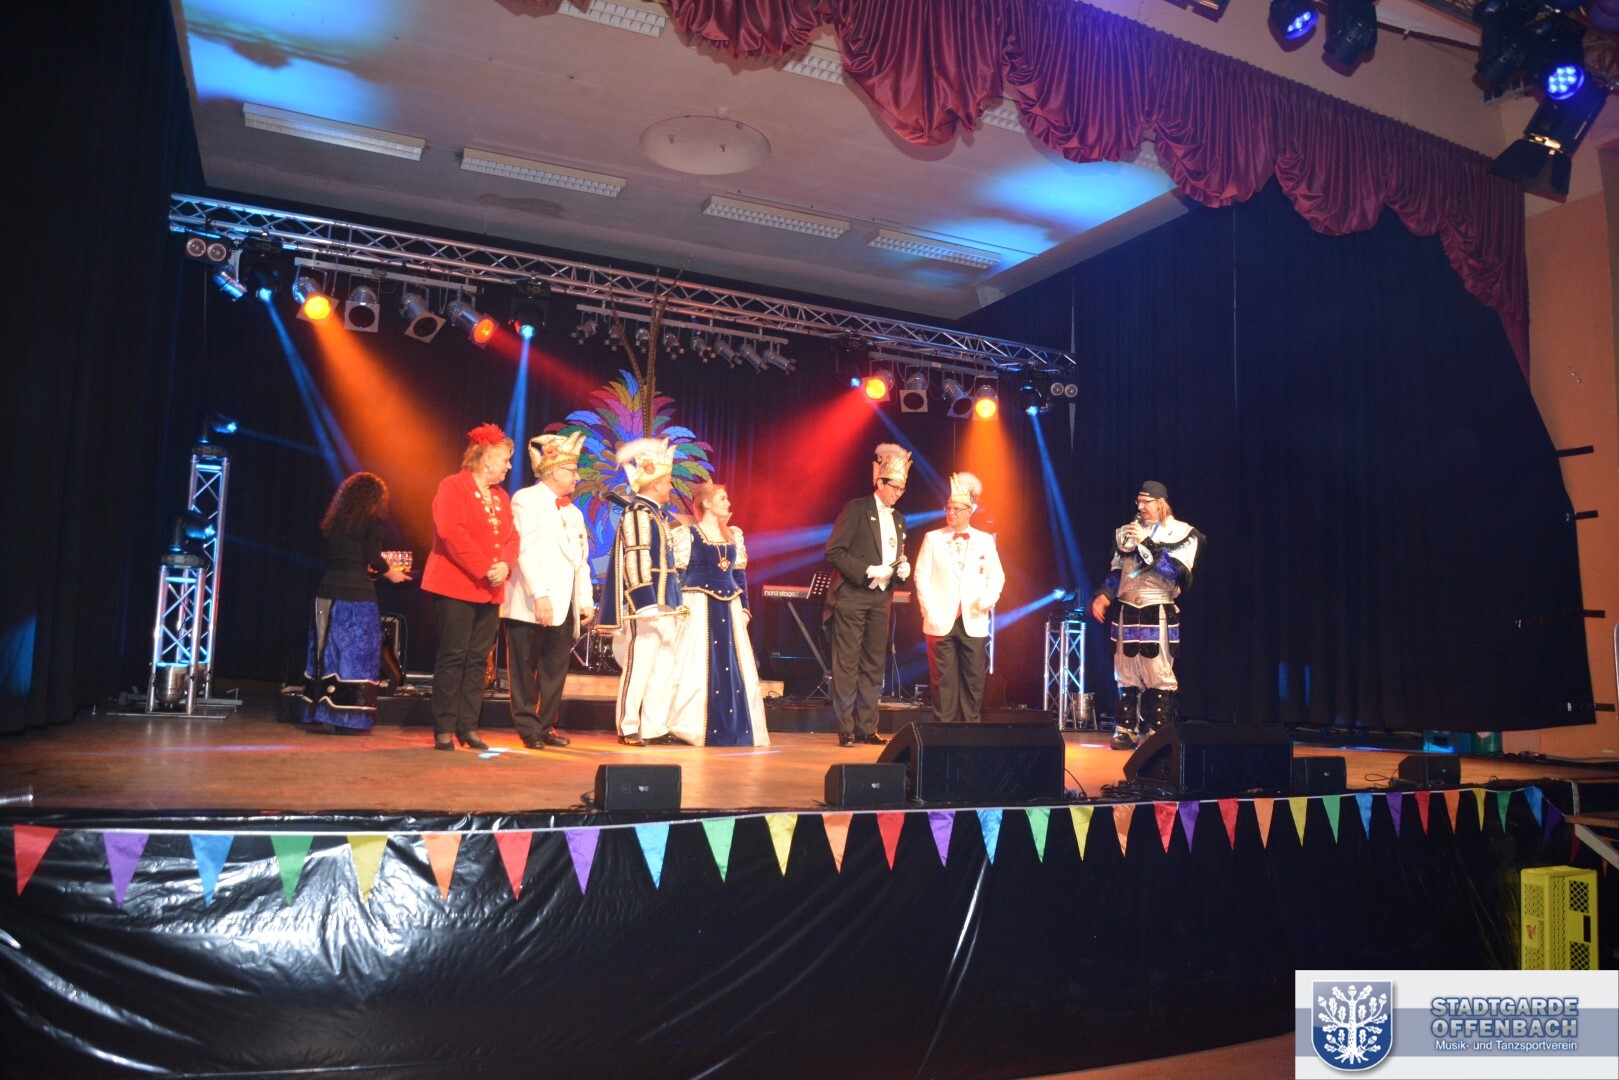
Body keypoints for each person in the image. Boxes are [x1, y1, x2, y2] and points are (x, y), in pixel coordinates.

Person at [421, 423, 518, 751]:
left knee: (478, 660)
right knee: (453, 656)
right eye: (505, 459)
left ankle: (468, 726)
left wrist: (505, 565)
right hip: (456, 586)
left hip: (490, 590)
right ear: (487, 458)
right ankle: (444, 727)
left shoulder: (501, 497)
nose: (508, 466)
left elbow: (512, 536)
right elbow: (451, 532)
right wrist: (485, 567)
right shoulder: (453, 486)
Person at [1090, 480, 1202, 751]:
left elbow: (1175, 573)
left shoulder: (1182, 533)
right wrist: (1105, 595)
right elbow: (1118, 572)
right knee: (1125, 671)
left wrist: (1147, 542)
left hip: (1158, 607)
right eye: (1138, 502)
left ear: (1160, 503)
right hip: (1127, 608)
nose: (1140, 507)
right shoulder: (1126, 533)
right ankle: (1126, 729)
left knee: (1158, 671)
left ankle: (1158, 731)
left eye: (1146, 502)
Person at [501, 430, 594, 751]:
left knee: (555, 669)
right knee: (524, 667)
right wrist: (540, 595)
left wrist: (584, 600)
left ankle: (546, 724)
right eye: (572, 471)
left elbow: (580, 560)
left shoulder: (573, 512)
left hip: (564, 604)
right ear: (554, 472)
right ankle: (528, 726)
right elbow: (524, 551)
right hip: (531, 601)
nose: (577, 477)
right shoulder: (526, 499)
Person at [298, 472, 411, 733]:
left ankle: (322, 712)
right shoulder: (373, 521)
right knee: (356, 656)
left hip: (326, 594)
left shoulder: (335, 521)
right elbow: (373, 556)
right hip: (356, 597)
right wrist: (391, 573)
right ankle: (349, 718)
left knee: (324, 654)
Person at [597, 437, 690, 746]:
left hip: (665, 603)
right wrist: (644, 601)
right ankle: (628, 726)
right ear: (655, 483)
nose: (670, 487)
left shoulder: (656, 514)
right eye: (668, 481)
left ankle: (654, 726)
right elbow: (635, 558)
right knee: (638, 666)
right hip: (646, 605)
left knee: (663, 666)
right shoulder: (638, 512)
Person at [667, 483, 770, 746]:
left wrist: (745, 608)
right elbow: (677, 575)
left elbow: (739, 574)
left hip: (729, 605)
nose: (728, 503)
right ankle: (689, 726)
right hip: (697, 603)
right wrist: (677, 607)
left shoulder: (733, 534)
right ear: (706, 503)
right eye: (723, 498)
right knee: (695, 663)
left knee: (734, 664)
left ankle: (734, 727)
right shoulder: (687, 534)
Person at [823, 443, 911, 747]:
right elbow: (834, 551)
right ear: (880, 482)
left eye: (902, 489)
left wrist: (901, 570)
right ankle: (846, 727)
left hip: (881, 598)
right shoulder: (857, 508)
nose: (898, 493)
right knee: (847, 662)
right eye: (895, 487)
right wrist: (866, 570)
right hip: (853, 594)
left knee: (874, 663)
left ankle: (867, 727)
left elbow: (894, 554)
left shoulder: (899, 519)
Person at [913, 472, 1005, 723]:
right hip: (940, 618)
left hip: (973, 617)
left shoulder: (984, 540)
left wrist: (988, 600)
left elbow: (997, 576)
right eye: (948, 508)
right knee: (942, 679)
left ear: (969, 511)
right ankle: (944, 730)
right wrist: (929, 610)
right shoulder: (933, 538)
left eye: (956, 509)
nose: (951, 512)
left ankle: (970, 729)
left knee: (973, 678)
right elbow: (921, 576)